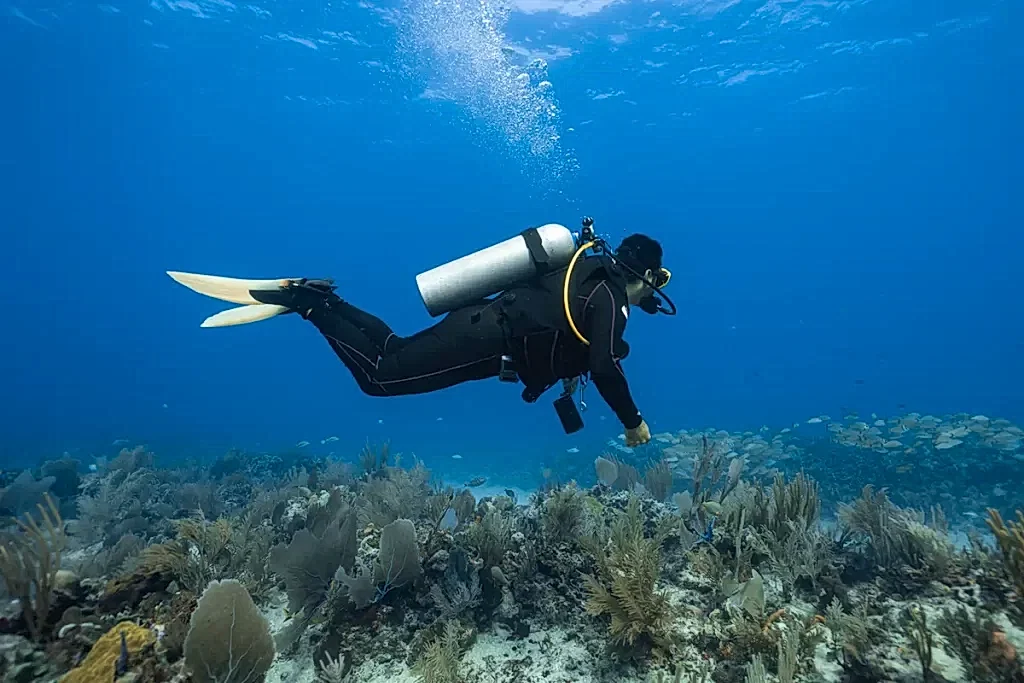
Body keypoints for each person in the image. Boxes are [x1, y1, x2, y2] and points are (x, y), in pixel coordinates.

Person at [169, 231, 671, 446]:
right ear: (645, 273)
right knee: (381, 380)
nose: (655, 291)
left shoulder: (586, 269)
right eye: (658, 280)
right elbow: (605, 366)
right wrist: (633, 422)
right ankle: (308, 303)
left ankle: (323, 299)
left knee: (394, 351)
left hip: (480, 325)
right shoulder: (610, 297)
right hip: (487, 342)